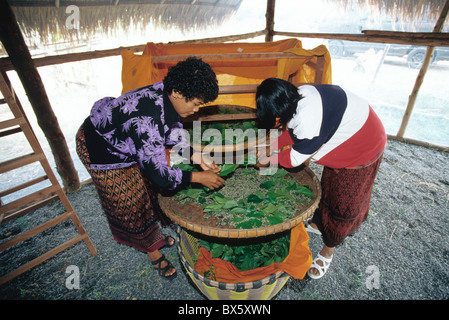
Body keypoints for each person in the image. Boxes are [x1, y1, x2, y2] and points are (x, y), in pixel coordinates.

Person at [76, 57, 225, 280]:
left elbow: (170, 129)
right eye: (195, 103)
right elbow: (161, 176)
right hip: (101, 147)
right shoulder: (147, 120)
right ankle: (152, 251)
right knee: (131, 203)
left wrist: (195, 155)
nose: (196, 110)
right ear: (176, 93)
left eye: (199, 105)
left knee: (146, 190)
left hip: (127, 139)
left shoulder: (164, 93)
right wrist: (198, 177)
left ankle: (155, 234)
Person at [255, 78, 386, 279]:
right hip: (349, 129)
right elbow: (294, 131)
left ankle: (329, 248)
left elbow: (294, 158)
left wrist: (269, 159)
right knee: (329, 185)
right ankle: (320, 223)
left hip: (365, 142)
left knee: (345, 200)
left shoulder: (309, 122)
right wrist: (273, 145)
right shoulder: (298, 95)